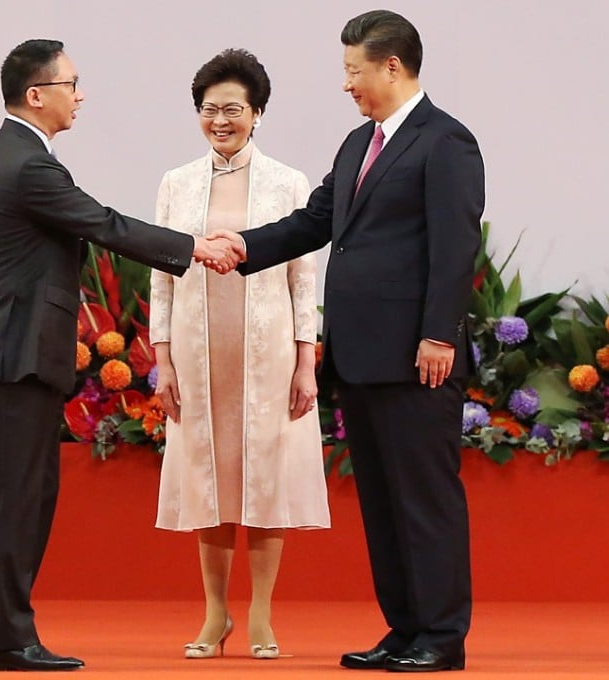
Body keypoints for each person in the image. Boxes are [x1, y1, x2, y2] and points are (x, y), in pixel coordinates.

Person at [210, 10, 484, 673]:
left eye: (353, 71)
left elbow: (455, 246)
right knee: (386, 506)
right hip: (364, 358)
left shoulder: (445, 141)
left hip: (418, 358)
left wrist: (437, 334)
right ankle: (404, 629)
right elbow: (316, 221)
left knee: (423, 502)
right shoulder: (359, 144)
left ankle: (441, 637)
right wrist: (245, 245)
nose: (347, 85)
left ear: (392, 66)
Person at [0, 39, 238, 672]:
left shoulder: (18, 154)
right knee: (19, 502)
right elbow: (103, 223)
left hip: (13, 352)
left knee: (19, 499)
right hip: (14, 352)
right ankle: (6, 638)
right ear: (37, 94)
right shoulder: (27, 162)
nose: (80, 96)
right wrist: (194, 247)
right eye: (72, 84)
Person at [149, 48, 330, 661]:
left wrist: (306, 359)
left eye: (232, 109)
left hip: (269, 352)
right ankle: (214, 613)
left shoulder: (288, 182)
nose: (219, 120)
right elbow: (161, 278)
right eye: (208, 109)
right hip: (201, 355)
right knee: (210, 481)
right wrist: (164, 357)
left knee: (265, 479)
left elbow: (305, 278)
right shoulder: (176, 183)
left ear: (258, 114)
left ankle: (261, 614)